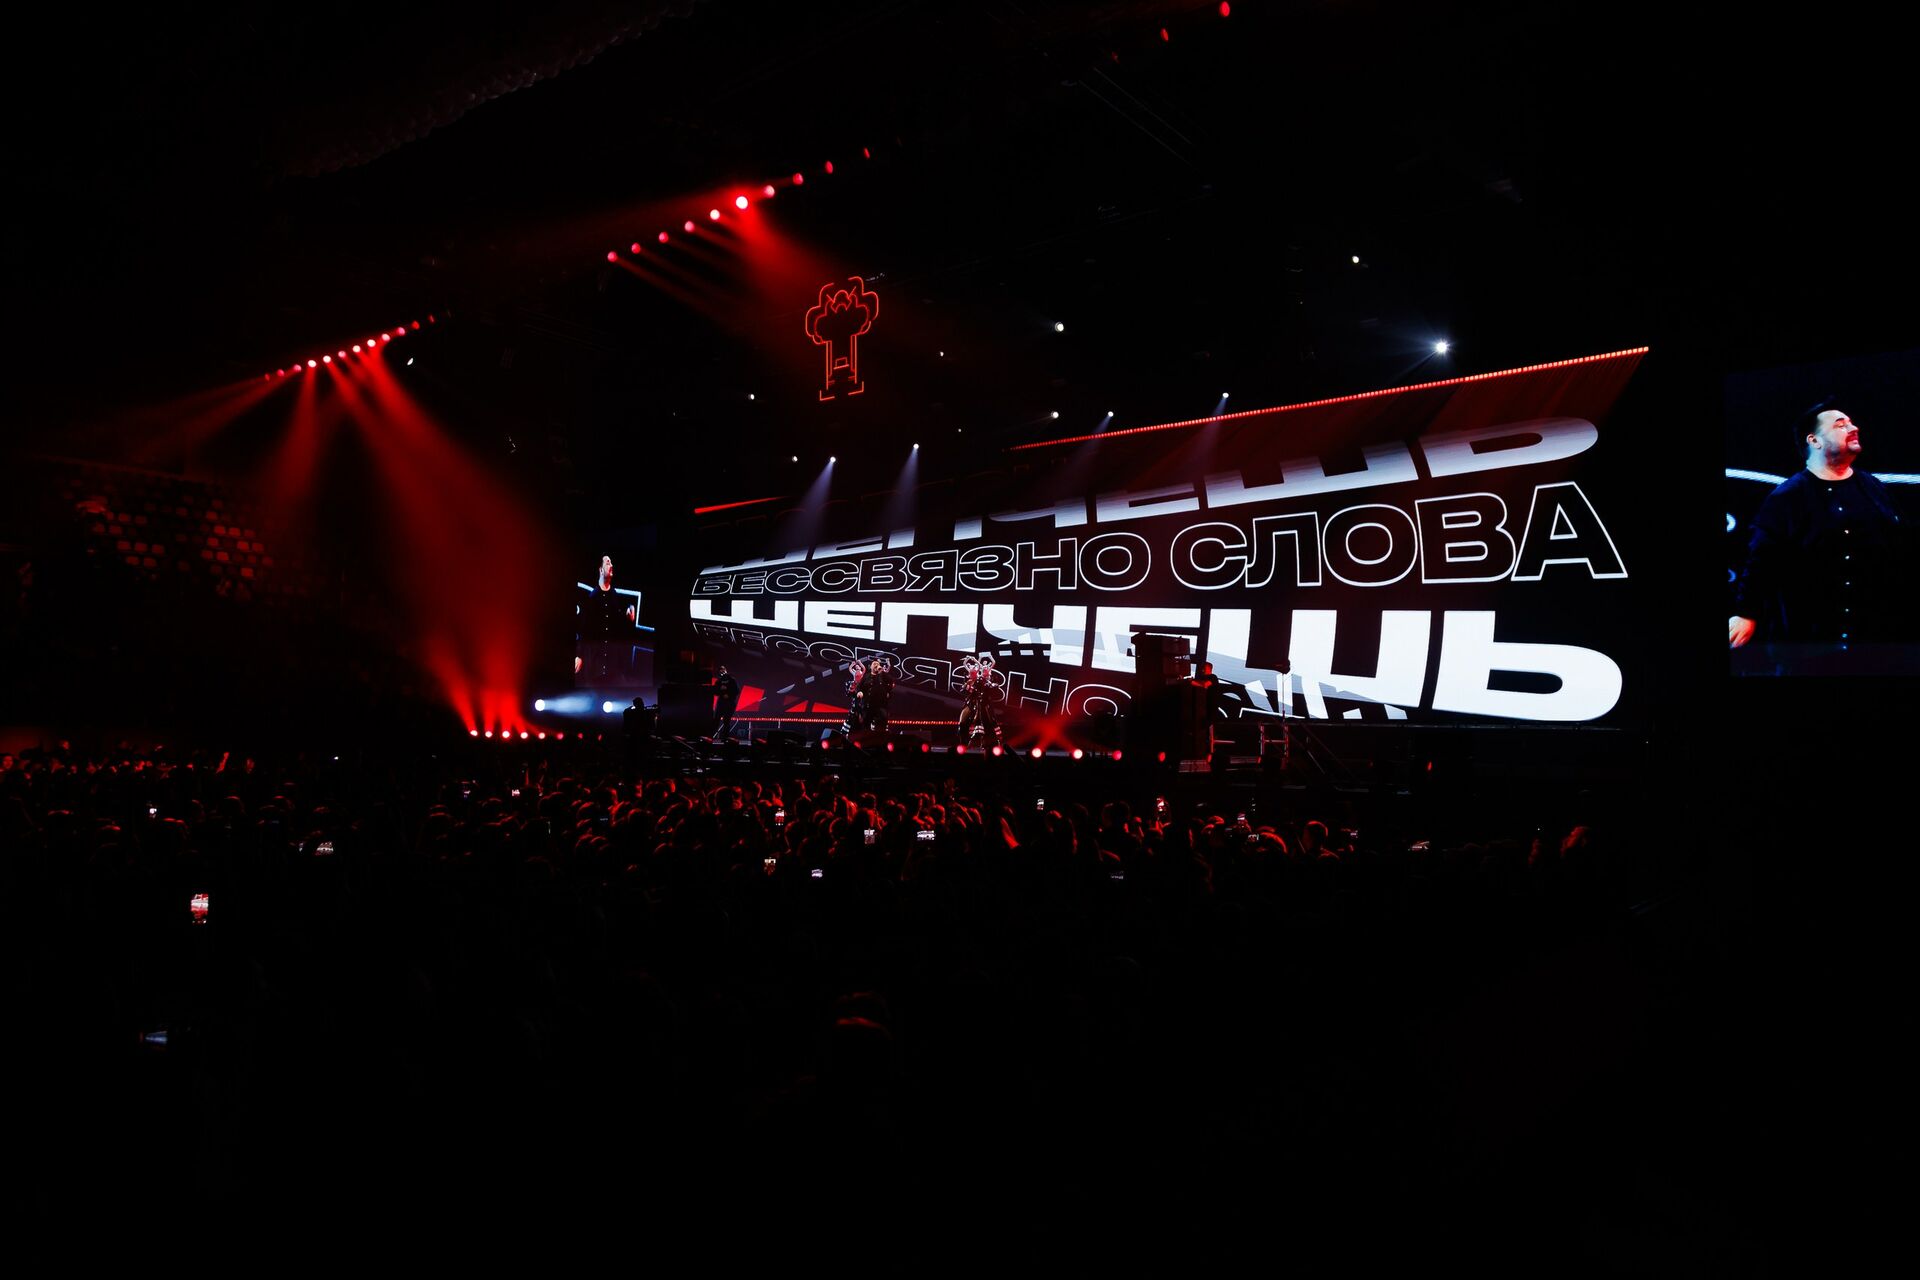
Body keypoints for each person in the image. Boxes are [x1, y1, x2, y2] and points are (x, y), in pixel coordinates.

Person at [1730, 403, 1907, 649]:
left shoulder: (1873, 488)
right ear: (1814, 441)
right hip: (1812, 640)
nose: (1853, 428)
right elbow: (1761, 560)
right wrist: (1746, 613)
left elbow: (1900, 546)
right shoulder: (1788, 497)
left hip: (1873, 635)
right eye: (1840, 425)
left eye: (1851, 423)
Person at [576, 555, 637, 681]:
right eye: (608, 563)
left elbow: (618, 627)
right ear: (601, 570)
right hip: (595, 664)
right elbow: (584, 629)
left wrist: (628, 618)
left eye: (611, 563)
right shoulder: (592, 597)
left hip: (612, 664)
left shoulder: (614, 596)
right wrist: (579, 655)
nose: (611, 565)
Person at [863, 658, 896, 734]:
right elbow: (861, 686)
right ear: (870, 666)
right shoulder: (867, 676)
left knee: (882, 721)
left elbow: (891, 682)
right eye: (874, 664)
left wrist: (888, 691)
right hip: (870, 703)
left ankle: (881, 735)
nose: (876, 665)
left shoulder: (883, 675)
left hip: (881, 703)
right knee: (867, 723)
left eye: (878, 664)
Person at [711, 664, 740, 741]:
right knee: (716, 719)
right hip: (721, 702)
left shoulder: (732, 680)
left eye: (723, 669)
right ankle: (711, 736)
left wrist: (729, 694)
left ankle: (724, 738)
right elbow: (714, 691)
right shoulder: (718, 681)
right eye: (720, 670)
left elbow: (737, 691)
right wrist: (720, 689)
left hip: (730, 703)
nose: (722, 671)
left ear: (726, 670)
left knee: (726, 720)